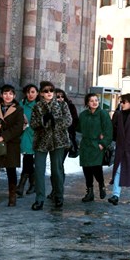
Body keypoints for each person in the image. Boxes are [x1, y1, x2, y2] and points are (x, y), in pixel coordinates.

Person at [30, 81, 73, 210]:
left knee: (57, 170)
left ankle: (59, 196)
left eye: (51, 91)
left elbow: (68, 120)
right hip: (41, 141)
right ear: (41, 93)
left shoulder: (62, 104)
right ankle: (39, 199)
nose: (49, 93)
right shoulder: (37, 106)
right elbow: (33, 124)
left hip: (58, 141)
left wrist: (54, 122)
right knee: (39, 170)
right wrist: (43, 120)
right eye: (46, 91)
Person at [77, 93, 112, 202]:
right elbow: (78, 129)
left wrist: (103, 143)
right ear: (87, 102)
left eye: (96, 100)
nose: (94, 102)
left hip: (97, 145)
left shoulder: (103, 114)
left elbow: (108, 131)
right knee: (86, 168)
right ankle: (90, 192)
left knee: (96, 168)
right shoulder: (83, 115)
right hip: (85, 145)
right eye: (91, 100)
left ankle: (101, 185)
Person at [45, 88, 79, 201]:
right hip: (51, 140)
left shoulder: (69, 107)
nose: (60, 99)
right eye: (57, 96)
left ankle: (57, 191)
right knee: (56, 166)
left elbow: (72, 123)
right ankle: (56, 189)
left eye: (61, 96)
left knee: (58, 165)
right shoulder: (49, 106)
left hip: (65, 141)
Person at [16, 84, 38, 197]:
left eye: (33, 92)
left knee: (28, 158)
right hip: (23, 134)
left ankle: (21, 185)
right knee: (27, 158)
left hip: (34, 135)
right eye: (28, 92)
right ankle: (33, 184)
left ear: (37, 93)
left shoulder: (39, 106)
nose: (30, 94)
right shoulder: (21, 105)